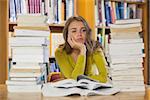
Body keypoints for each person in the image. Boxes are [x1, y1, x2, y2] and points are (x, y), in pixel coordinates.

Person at [55, 16, 108, 83]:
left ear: (87, 33)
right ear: (67, 34)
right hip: (69, 92)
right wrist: (82, 51)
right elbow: (74, 80)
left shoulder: (95, 49)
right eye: (74, 31)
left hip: (91, 91)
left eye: (83, 30)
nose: (79, 34)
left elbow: (105, 78)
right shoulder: (60, 52)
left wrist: (83, 79)